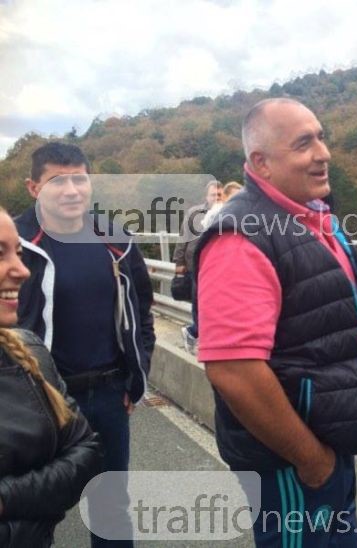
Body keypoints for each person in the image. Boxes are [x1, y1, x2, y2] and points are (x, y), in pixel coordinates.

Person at [196, 98, 357, 547]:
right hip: (291, 462)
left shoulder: (316, 217)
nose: (323, 153)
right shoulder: (240, 238)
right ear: (261, 162)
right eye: (303, 144)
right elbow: (234, 371)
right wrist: (311, 460)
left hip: (327, 447)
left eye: (321, 137)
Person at [15, 142, 156, 547]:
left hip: (108, 395)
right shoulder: (16, 244)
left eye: (79, 179)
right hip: (38, 400)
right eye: (57, 181)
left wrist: (135, 378)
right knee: (28, 513)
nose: (71, 190)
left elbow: (141, 312)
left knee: (110, 508)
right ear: (33, 187)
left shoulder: (115, 239)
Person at [0, 206, 102, 547]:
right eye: (0, 254)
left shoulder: (29, 351)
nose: (22, 270)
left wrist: (7, 498)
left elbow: (85, 453)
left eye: (18, 253)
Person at [175, 179, 223, 353]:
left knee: (214, 303)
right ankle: (197, 334)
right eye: (213, 195)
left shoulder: (228, 212)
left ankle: (194, 333)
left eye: (219, 195)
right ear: (206, 196)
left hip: (218, 267)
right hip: (196, 265)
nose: (216, 198)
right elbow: (183, 238)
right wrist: (179, 262)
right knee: (199, 302)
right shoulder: (194, 213)